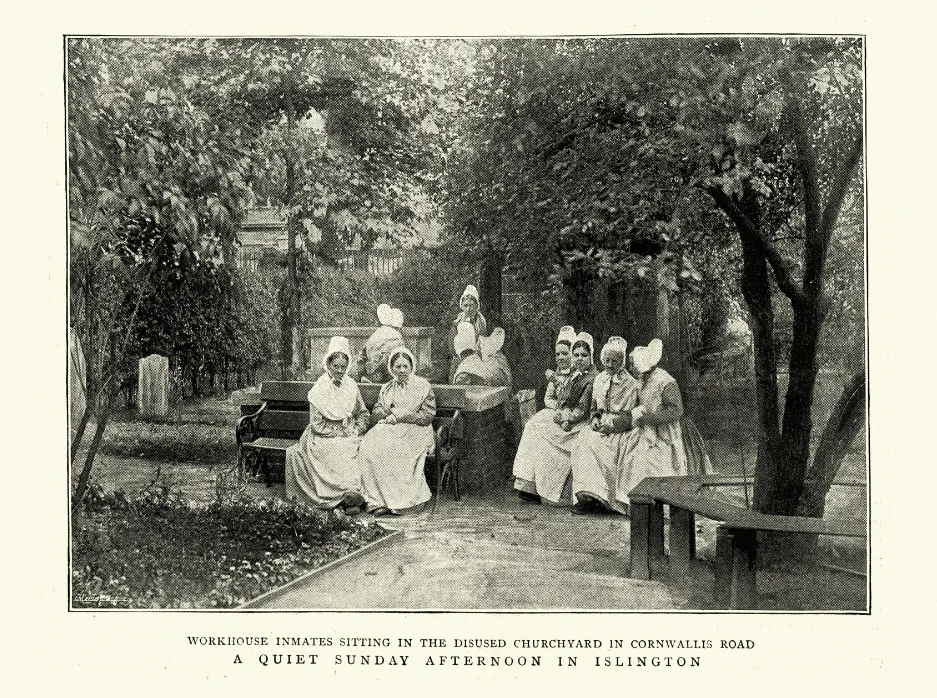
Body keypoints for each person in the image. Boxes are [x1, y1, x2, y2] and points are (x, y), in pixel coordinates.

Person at [614, 339, 712, 507]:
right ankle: (637, 502)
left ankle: (659, 502)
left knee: (653, 460)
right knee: (632, 455)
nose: (631, 368)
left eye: (633, 364)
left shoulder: (665, 381)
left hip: (666, 430)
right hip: (647, 429)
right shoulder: (642, 379)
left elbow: (676, 410)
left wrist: (651, 417)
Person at [284, 336, 370, 512]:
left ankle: (352, 496)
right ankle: (339, 498)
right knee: (336, 448)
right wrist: (337, 431)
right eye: (335, 366)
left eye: (343, 366)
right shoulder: (319, 388)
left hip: (348, 430)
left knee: (355, 447)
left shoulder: (351, 385)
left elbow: (362, 413)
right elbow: (316, 423)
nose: (339, 370)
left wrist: (357, 428)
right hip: (322, 434)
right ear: (328, 364)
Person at [512, 331, 597, 505]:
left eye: (583, 355)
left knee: (540, 429)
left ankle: (546, 488)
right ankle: (528, 483)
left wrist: (564, 417)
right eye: (577, 355)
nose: (579, 359)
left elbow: (582, 409)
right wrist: (562, 412)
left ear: (591, 356)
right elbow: (563, 398)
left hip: (579, 422)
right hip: (567, 417)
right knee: (534, 426)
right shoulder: (576, 375)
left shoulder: (592, 379)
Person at [359, 347, 437, 515]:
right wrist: (389, 413)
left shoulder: (423, 386)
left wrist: (402, 415)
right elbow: (376, 413)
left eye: (405, 366)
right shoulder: (387, 388)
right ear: (391, 368)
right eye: (397, 367)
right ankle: (377, 500)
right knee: (369, 445)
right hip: (391, 427)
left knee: (396, 450)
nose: (401, 370)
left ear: (411, 367)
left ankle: (400, 503)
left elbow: (426, 416)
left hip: (417, 429)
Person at [570, 336, 639, 515]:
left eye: (614, 361)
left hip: (618, 427)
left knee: (604, 447)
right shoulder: (600, 379)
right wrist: (594, 419)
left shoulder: (630, 384)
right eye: (607, 360)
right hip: (600, 424)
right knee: (583, 441)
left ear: (621, 362)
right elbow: (595, 407)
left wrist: (612, 426)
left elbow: (629, 415)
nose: (609, 365)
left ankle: (605, 497)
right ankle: (586, 496)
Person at [448, 284, 488, 382]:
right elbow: (451, 343)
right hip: (459, 357)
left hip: (475, 358)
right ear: (462, 306)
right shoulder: (457, 322)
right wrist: (458, 355)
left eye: (471, 305)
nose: (468, 309)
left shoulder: (481, 322)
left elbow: (483, 341)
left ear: (476, 306)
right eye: (465, 305)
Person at [358, 303, 405, 383]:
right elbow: (401, 355)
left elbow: (363, 352)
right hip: (385, 372)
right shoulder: (397, 336)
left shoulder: (376, 333)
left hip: (370, 367)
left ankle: (369, 376)